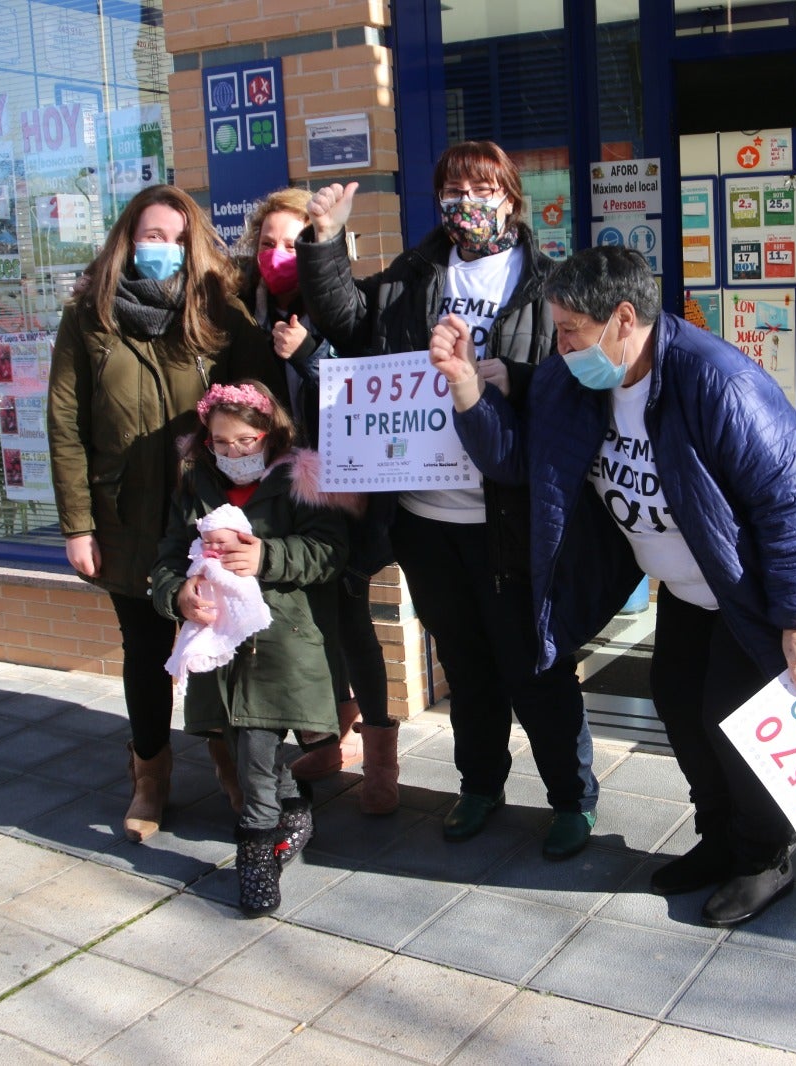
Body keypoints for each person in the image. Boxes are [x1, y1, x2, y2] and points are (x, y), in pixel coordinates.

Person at [431, 246, 796, 926]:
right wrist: (466, 384)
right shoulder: (573, 381)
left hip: (754, 584)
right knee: (678, 701)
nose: (560, 346)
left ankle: (763, 858)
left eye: (571, 330)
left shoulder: (716, 381)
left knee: (734, 718)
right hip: (690, 585)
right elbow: (520, 463)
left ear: (622, 319)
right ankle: (719, 838)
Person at [297, 140, 600, 860]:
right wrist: (326, 241)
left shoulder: (548, 281)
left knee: (534, 665)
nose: (467, 203)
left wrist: (514, 377)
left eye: (483, 189)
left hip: (508, 515)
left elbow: (580, 377)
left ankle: (571, 797)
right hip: (426, 516)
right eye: (454, 191)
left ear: (512, 199)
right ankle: (481, 785)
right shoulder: (415, 273)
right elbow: (348, 322)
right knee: (464, 665)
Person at [47, 184, 268, 844]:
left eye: (176, 239)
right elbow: (65, 424)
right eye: (152, 236)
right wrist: (78, 525)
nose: (164, 249)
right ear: (128, 239)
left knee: (219, 645)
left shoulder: (218, 312)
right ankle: (150, 773)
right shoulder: (89, 315)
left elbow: (261, 403)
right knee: (145, 652)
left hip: (207, 516)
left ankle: (229, 765)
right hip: (125, 518)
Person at [151, 380, 351, 916]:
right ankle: (294, 806)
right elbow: (169, 555)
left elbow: (330, 552)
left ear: (269, 434)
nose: (234, 451)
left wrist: (267, 557)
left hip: (283, 638)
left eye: (246, 440)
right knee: (242, 739)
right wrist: (179, 594)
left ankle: (256, 855)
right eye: (221, 442)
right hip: (221, 643)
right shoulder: (195, 484)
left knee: (256, 751)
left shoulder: (300, 478)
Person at [236, 188, 399, 814]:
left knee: (351, 621)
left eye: (293, 242)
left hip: (338, 491)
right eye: (269, 242)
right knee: (298, 624)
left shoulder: (337, 305)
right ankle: (328, 742)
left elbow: (365, 394)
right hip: (268, 494)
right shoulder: (244, 312)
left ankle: (380, 757)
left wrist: (308, 355)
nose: (279, 254)